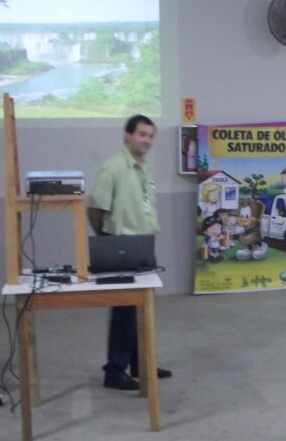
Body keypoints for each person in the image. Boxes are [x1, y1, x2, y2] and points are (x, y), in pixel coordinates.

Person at [87, 114, 172, 391]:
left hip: (144, 246)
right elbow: (95, 209)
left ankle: (141, 364)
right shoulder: (112, 168)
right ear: (127, 136)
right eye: (141, 134)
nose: (146, 140)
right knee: (124, 312)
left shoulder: (143, 166)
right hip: (122, 246)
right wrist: (109, 241)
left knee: (143, 309)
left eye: (150, 135)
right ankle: (114, 371)